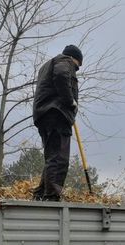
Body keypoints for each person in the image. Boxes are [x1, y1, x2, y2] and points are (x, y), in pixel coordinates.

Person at [32, 45, 83, 201]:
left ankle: (41, 194)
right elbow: (61, 75)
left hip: (43, 115)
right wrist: (70, 101)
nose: (76, 69)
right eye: (77, 67)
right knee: (59, 159)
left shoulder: (47, 66)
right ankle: (52, 196)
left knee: (52, 157)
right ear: (74, 59)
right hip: (57, 113)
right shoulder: (64, 61)